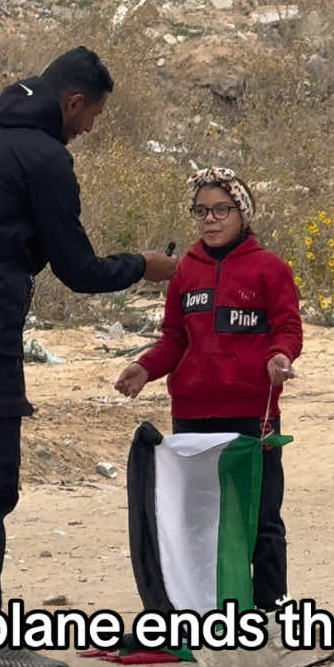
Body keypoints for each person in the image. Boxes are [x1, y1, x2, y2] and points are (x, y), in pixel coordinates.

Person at [0, 46, 177, 667]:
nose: (89, 129)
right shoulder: (44, 157)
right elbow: (78, 271)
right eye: (93, 116)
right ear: (73, 102)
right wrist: (145, 267)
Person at [114, 167, 302, 619]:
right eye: (201, 211)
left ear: (243, 213)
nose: (210, 220)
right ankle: (203, 611)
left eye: (221, 210)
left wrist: (280, 358)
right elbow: (174, 339)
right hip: (194, 417)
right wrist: (145, 367)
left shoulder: (269, 269)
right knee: (199, 521)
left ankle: (270, 612)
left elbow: (287, 329)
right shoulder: (185, 274)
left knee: (260, 520)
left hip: (252, 414)